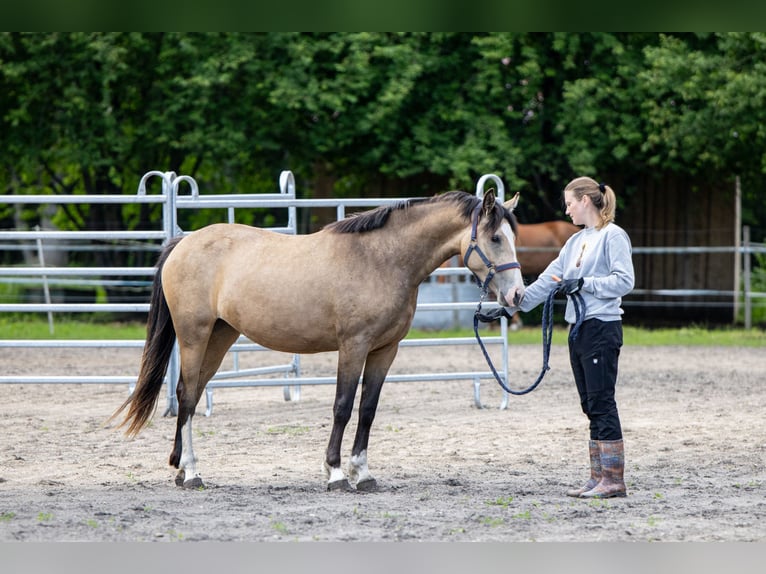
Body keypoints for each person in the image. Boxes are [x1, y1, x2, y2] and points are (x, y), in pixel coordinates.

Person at [516, 176, 635, 499]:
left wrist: (585, 283)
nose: (566, 210)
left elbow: (624, 281)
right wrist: (516, 301)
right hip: (578, 328)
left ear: (585, 200)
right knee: (590, 404)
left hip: (601, 326)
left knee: (601, 401)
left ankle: (613, 479)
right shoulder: (575, 242)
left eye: (569, 203)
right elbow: (550, 278)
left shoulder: (613, 236)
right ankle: (598, 476)